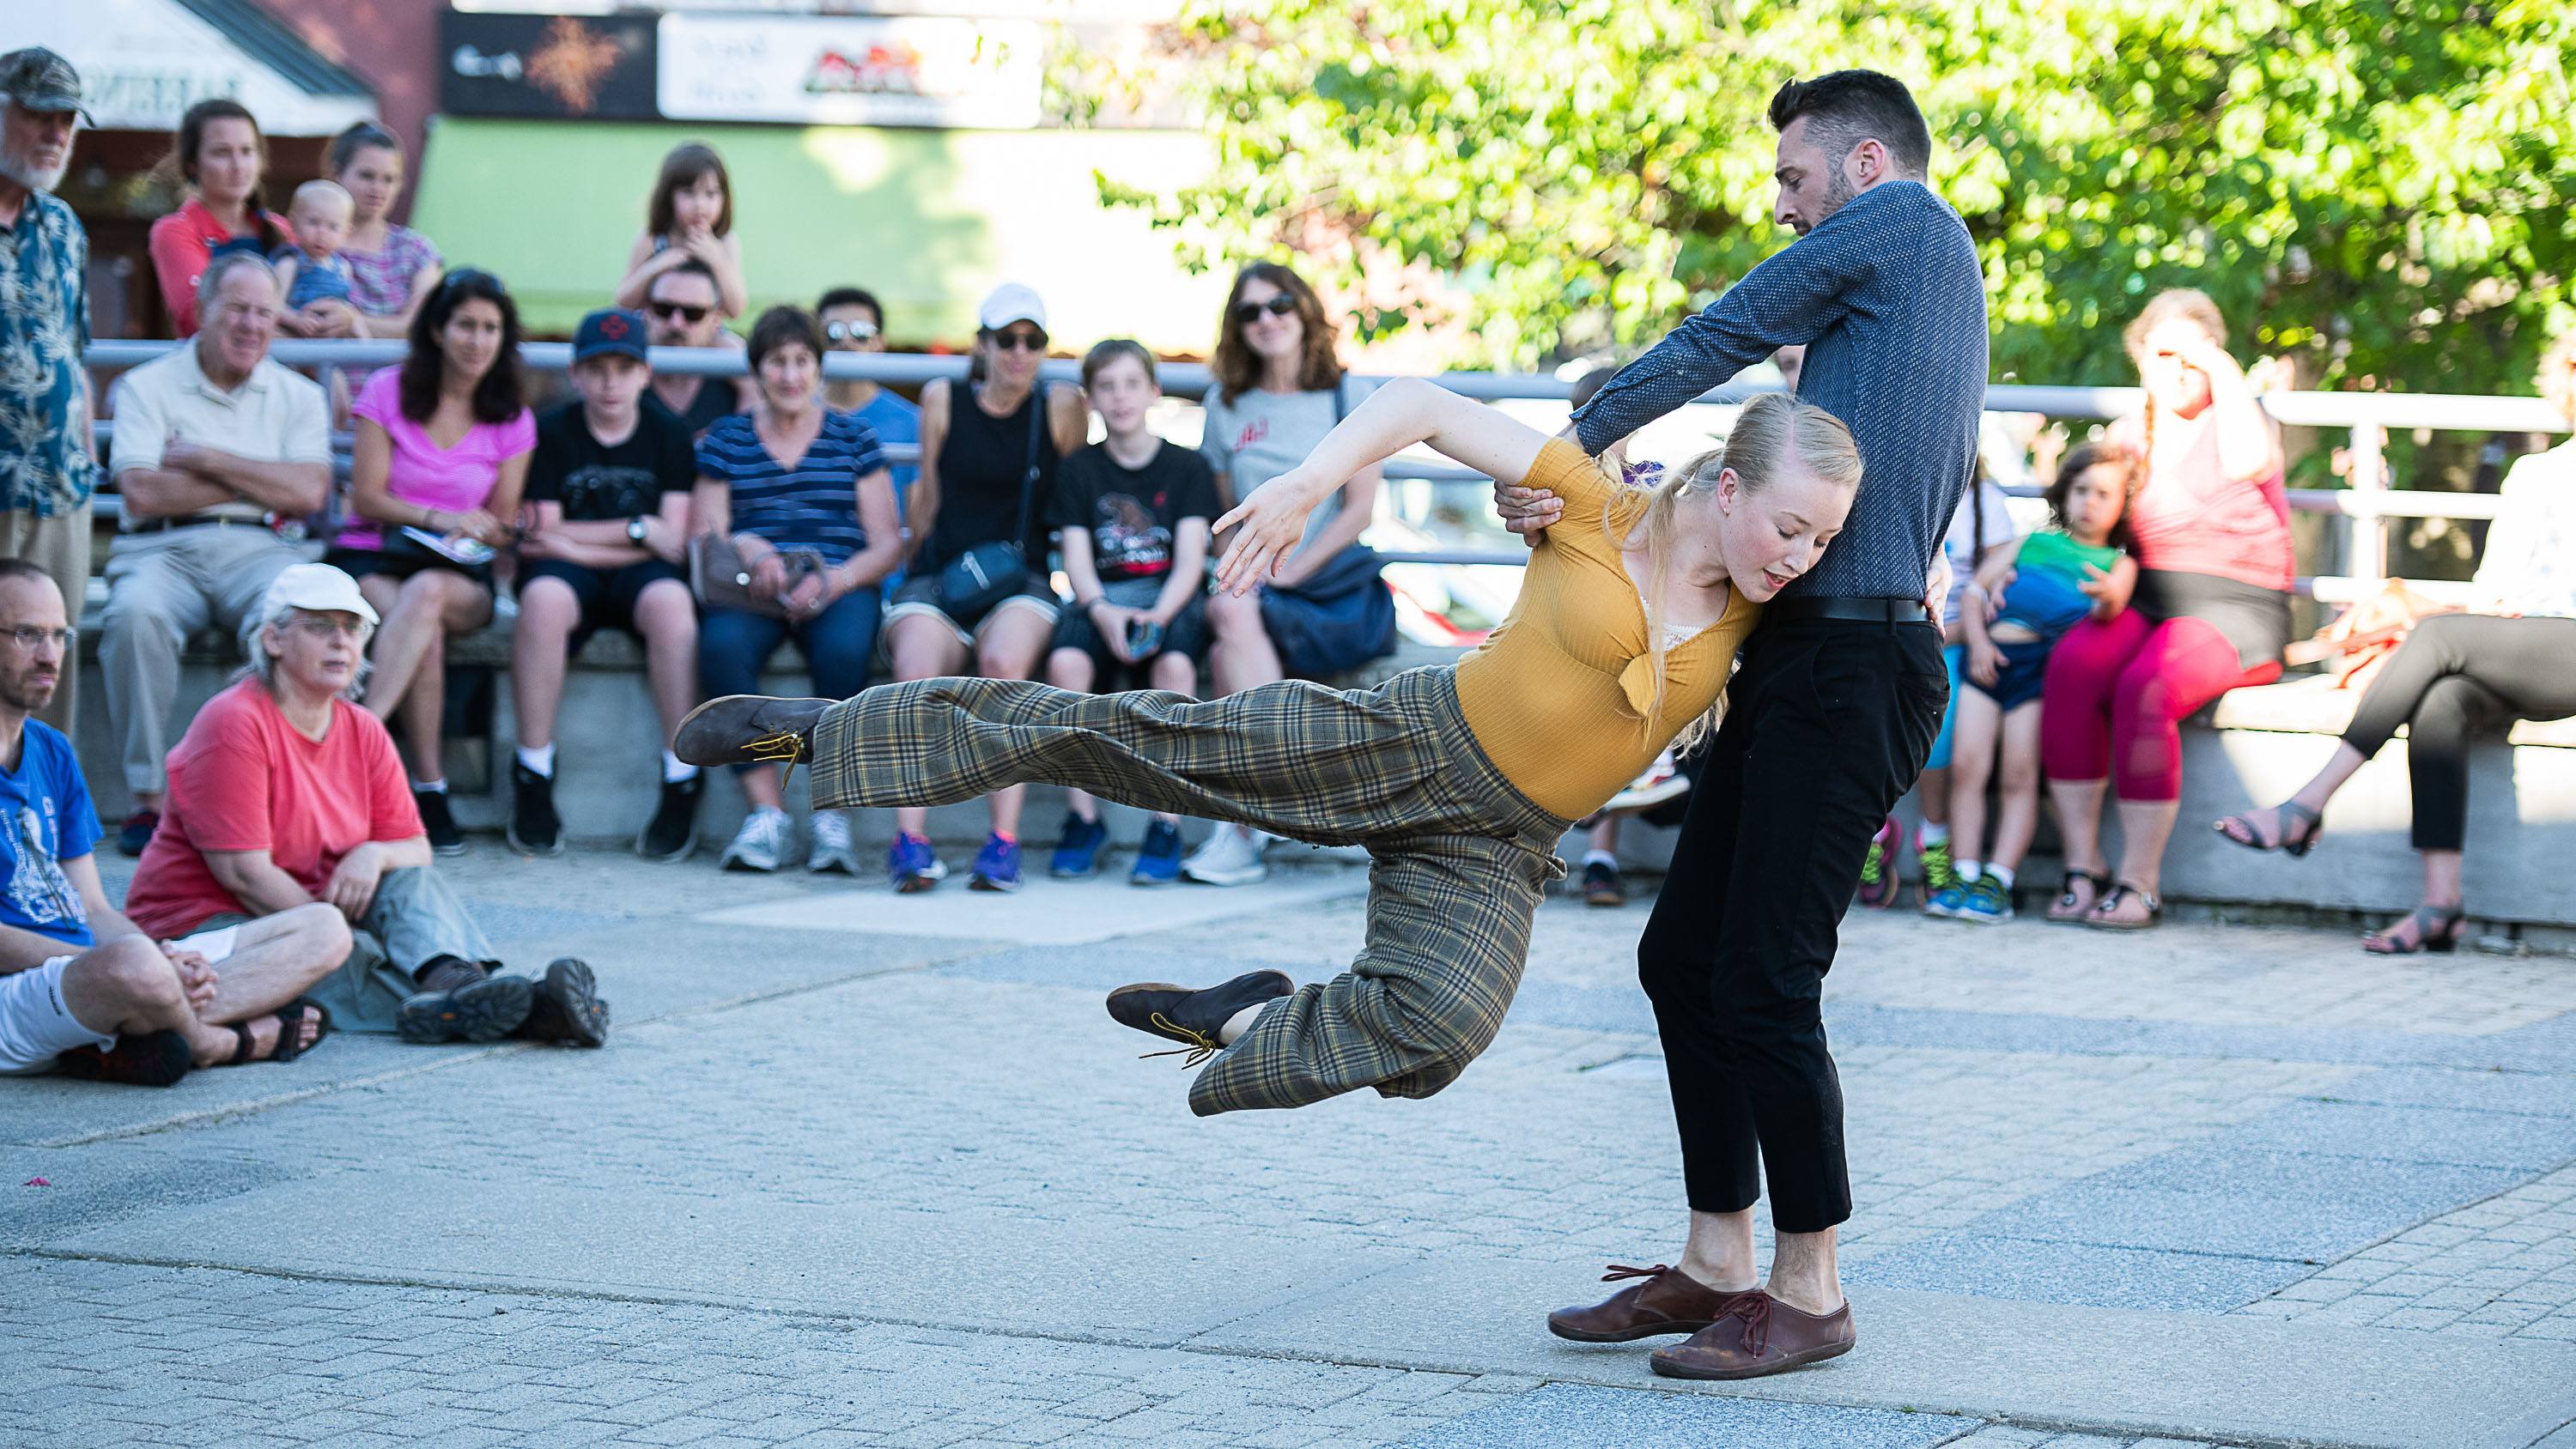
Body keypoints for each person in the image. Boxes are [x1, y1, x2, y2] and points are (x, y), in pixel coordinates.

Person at [677, 384, 1849, 1150]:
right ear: (1731, 487)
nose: (1801, 556)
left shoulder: (1772, 612)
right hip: (1404, 739)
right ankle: (818, 735)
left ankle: (1240, 1025)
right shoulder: (1593, 504)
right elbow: (1418, 405)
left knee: (1439, 1033)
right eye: (1790, 527)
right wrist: (1301, 483)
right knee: (1130, 740)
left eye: (1824, 541)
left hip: (1499, 843)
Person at [1508, 71, 1984, 1381]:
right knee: (1682, 960)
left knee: (1768, 980)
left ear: (1867, 164)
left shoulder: (1906, 226)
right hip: (1804, 661)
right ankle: (1717, 1263)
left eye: (1792, 179)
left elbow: (1726, 329)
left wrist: (1567, 445)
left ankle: (1811, 1289)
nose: (1783, 207)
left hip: (1859, 664)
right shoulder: (1895, 275)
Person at [124, 565, 608, 1047]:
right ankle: (528, 1010)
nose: (341, 642)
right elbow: (244, 876)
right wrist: (335, 937)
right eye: (320, 627)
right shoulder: (234, 722)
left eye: (353, 628)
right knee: (337, 960)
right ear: (273, 639)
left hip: (317, 909)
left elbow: (416, 848)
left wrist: (374, 854)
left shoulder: (363, 727)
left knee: (407, 879)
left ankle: (458, 985)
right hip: (207, 926)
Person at [2215, 331, 2576, 954]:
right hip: (2528, 649)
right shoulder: (2535, 473)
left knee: (2437, 637)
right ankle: (2441, 905)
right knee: (2443, 699)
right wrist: (2496, 612)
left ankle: (2306, 804)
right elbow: (2495, 584)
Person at [0, 561, 347, 1086]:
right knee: (134, 969)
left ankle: (140, 1026)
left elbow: (92, 906)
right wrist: (139, 962)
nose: (50, 656)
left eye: (58, 635)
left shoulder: (52, 749)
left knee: (324, 927)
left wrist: (167, 957)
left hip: (95, 967)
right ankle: (214, 1041)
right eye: (27, 635)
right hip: (18, 989)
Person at [2035, 289, 2293, 930]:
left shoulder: (2240, 416)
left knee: (2145, 688)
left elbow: (2249, 461)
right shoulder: (2131, 434)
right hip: (2150, 598)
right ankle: (2083, 866)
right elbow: (2101, 529)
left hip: (2237, 607)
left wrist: (2222, 368)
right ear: (2140, 355)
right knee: (2071, 667)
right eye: (2164, 353)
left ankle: (2140, 883)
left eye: (2193, 356)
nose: (2179, 370)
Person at [100, 256, 328, 858]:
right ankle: (148, 799)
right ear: (203, 313)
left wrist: (204, 457)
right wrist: (261, 479)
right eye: (237, 309)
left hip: (262, 549)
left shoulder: (298, 395)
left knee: (292, 621)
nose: (252, 325)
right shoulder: (148, 385)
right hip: (161, 547)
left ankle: (259, 794)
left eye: (264, 312)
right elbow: (143, 494)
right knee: (133, 615)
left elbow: (309, 494)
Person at [1187, 262, 1395, 888]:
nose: (1268, 320)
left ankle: (1240, 831)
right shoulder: (1226, 405)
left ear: (1304, 309)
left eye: (1278, 304)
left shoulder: (1346, 396)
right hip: (1252, 575)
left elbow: (1358, 510)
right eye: (1250, 312)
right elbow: (1226, 512)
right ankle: (1277, 800)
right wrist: (1255, 568)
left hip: (1321, 578)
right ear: (1237, 328)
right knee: (1229, 614)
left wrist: (1293, 568)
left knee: (1229, 643)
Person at [880, 282, 1086, 893]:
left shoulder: (1059, 406)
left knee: (1003, 665)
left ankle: (1003, 844)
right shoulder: (943, 399)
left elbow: (1071, 494)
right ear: (983, 344)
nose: (1019, 353)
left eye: (1033, 341)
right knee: (914, 669)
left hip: (1020, 579)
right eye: (1007, 340)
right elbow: (928, 503)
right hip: (944, 576)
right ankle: (910, 841)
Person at [323, 270, 535, 854]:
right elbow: (365, 497)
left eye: (491, 328)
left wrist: (480, 529)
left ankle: (351, 743)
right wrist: (439, 517)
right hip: (376, 559)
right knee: (425, 635)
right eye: (466, 324)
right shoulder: (388, 390)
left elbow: (502, 525)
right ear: (438, 329)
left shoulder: (512, 416)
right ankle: (427, 787)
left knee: (428, 599)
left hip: (459, 575)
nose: (477, 340)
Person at [692, 306, 903, 874]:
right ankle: (768, 816)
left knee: (844, 652)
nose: (789, 375)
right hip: (751, 592)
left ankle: (830, 815)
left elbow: (887, 544)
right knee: (720, 650)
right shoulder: (728, 439)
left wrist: (834, 581)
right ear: (757, 370)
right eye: (776, 362)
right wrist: (750, 546)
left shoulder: (854, 437)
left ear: (818, 368)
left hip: (837, 584)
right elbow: (704, 529)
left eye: (801, 361)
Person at [510, 307, 702, 861]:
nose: (611, 382)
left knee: (671, 606)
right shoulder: (552, 430)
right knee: (543, 601)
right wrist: (634, 531)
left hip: (638, 575)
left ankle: (680, 774)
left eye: (624, 368)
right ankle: (533, 769)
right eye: (597, 369)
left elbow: (672, 538)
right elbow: (540, 533)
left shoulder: (668, 433)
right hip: (569, 576)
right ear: (576, 374)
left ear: (645, 373)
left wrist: (571, 540)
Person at [1929, 445, 2137, 924]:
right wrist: (1978, 645)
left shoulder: (2117, 562)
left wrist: (2104, 596)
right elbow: (1979, 590)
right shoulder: (2030, 542)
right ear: (2064, 493)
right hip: (1989, 662)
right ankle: (1962, 872)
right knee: (1968, 768)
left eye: (2104, 494)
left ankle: (1997, 878)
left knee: (2019, 777)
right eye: (2081, 490)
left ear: (2123, 504)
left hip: (2039, 673)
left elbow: (2113, 605)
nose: (2090, 503)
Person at [1042, 340, 1219, 886]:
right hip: (1103, 600)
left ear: (1153, 391)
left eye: (1131, 384)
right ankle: (1083, 818)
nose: (1120, 398)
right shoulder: (1078, 470)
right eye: (1107, 387)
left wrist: (1159, 619)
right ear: (1091, 398)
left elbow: (1191, 562)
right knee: (1066, 668)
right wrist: (1104, 615)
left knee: (1175, 673)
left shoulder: (1188, 467)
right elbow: (1078, 564)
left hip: (1167, 597)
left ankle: (1164, 823)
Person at [0, 49, 98, 742]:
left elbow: (76, 355)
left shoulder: (63, 227)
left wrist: (87, 462)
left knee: (46, 671)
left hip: (61, 491)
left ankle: (41, 830)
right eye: (38, 115)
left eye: (65, 119)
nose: (54, 133)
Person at [1899, 464, 2018, 911]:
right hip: (1903, 629)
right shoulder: (1904, 483)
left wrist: (1955, 630)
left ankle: (1934, 836)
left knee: (1937, 732)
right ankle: (1874, 833)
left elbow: (1996, 586)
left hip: (1960, 637)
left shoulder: (1986, 500)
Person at [145, 100, 306, 339]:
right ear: (192, 165)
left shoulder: (281, 228)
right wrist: (301, 337)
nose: (238, 165)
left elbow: (312, 295)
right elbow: (201, 318)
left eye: (247, 151)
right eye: (222, 152)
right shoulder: (175, 230)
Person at [817, 286, 921, 536]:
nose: (846, 341)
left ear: (879, 343)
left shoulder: (913, 421)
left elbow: (916, 520)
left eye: (861, 332)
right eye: (833, 332)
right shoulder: (793, 413)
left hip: (886, 572)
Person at [326, 121, 444, 339]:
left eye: (389, 179)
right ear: (337, 174)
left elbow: (422, 325)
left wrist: (355, 322)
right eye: (367, 176)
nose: (377, 189)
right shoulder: (313, 244)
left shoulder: (417, 250)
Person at [613, 142, 748, 320]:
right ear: (668, 196)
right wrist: (656, 266)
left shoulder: (725, 242)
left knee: (734, 347)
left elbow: (736, 310)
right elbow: (623, 302)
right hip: (656, 330)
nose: (700, 205)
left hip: (703, 333)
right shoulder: (652, 239)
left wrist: (717, 261)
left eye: (710, 194)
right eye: (688, 193)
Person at [644, 261, 747, 438]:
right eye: (664, 309)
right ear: (647, 311)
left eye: (693, 313)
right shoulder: (616, 371)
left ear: (716, 320)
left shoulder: (739, 381)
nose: (676, 324)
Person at [270, 179, 356, 336]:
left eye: (333, 227)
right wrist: (295, 319)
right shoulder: (290, 264)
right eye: (313, 222)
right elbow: (272, 304)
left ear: (346, 233)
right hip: (295, 340)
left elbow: (347, 308)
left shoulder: (343, 268)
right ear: (293, 223)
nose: (322, 233)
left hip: (332, 343)